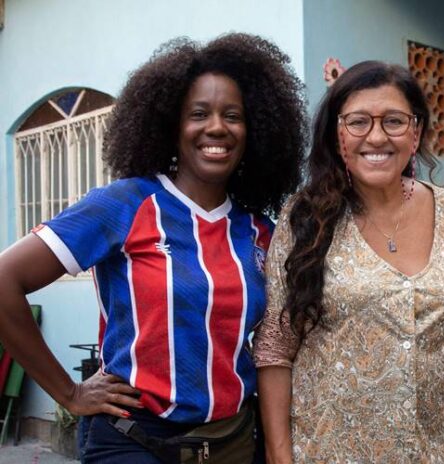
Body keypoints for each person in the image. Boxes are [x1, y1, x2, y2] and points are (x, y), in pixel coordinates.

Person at [0, 33, 307, 463]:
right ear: (170, 125)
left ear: (253, 130)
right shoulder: (125, 205)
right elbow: (5, 280)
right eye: (198, 114)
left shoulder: (260, 232)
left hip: (234, 442)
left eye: (232, 116)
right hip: (135, 440)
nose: (216, 127)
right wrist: (69, 393)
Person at [252, 60, 444, 463]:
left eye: (394, 121)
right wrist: (279, 456)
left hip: (435, 453)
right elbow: (275, 347)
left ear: (415, 132)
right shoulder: (306, 218)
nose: (376, 136)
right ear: (337, 134)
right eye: (358, 122)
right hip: (327, 453)